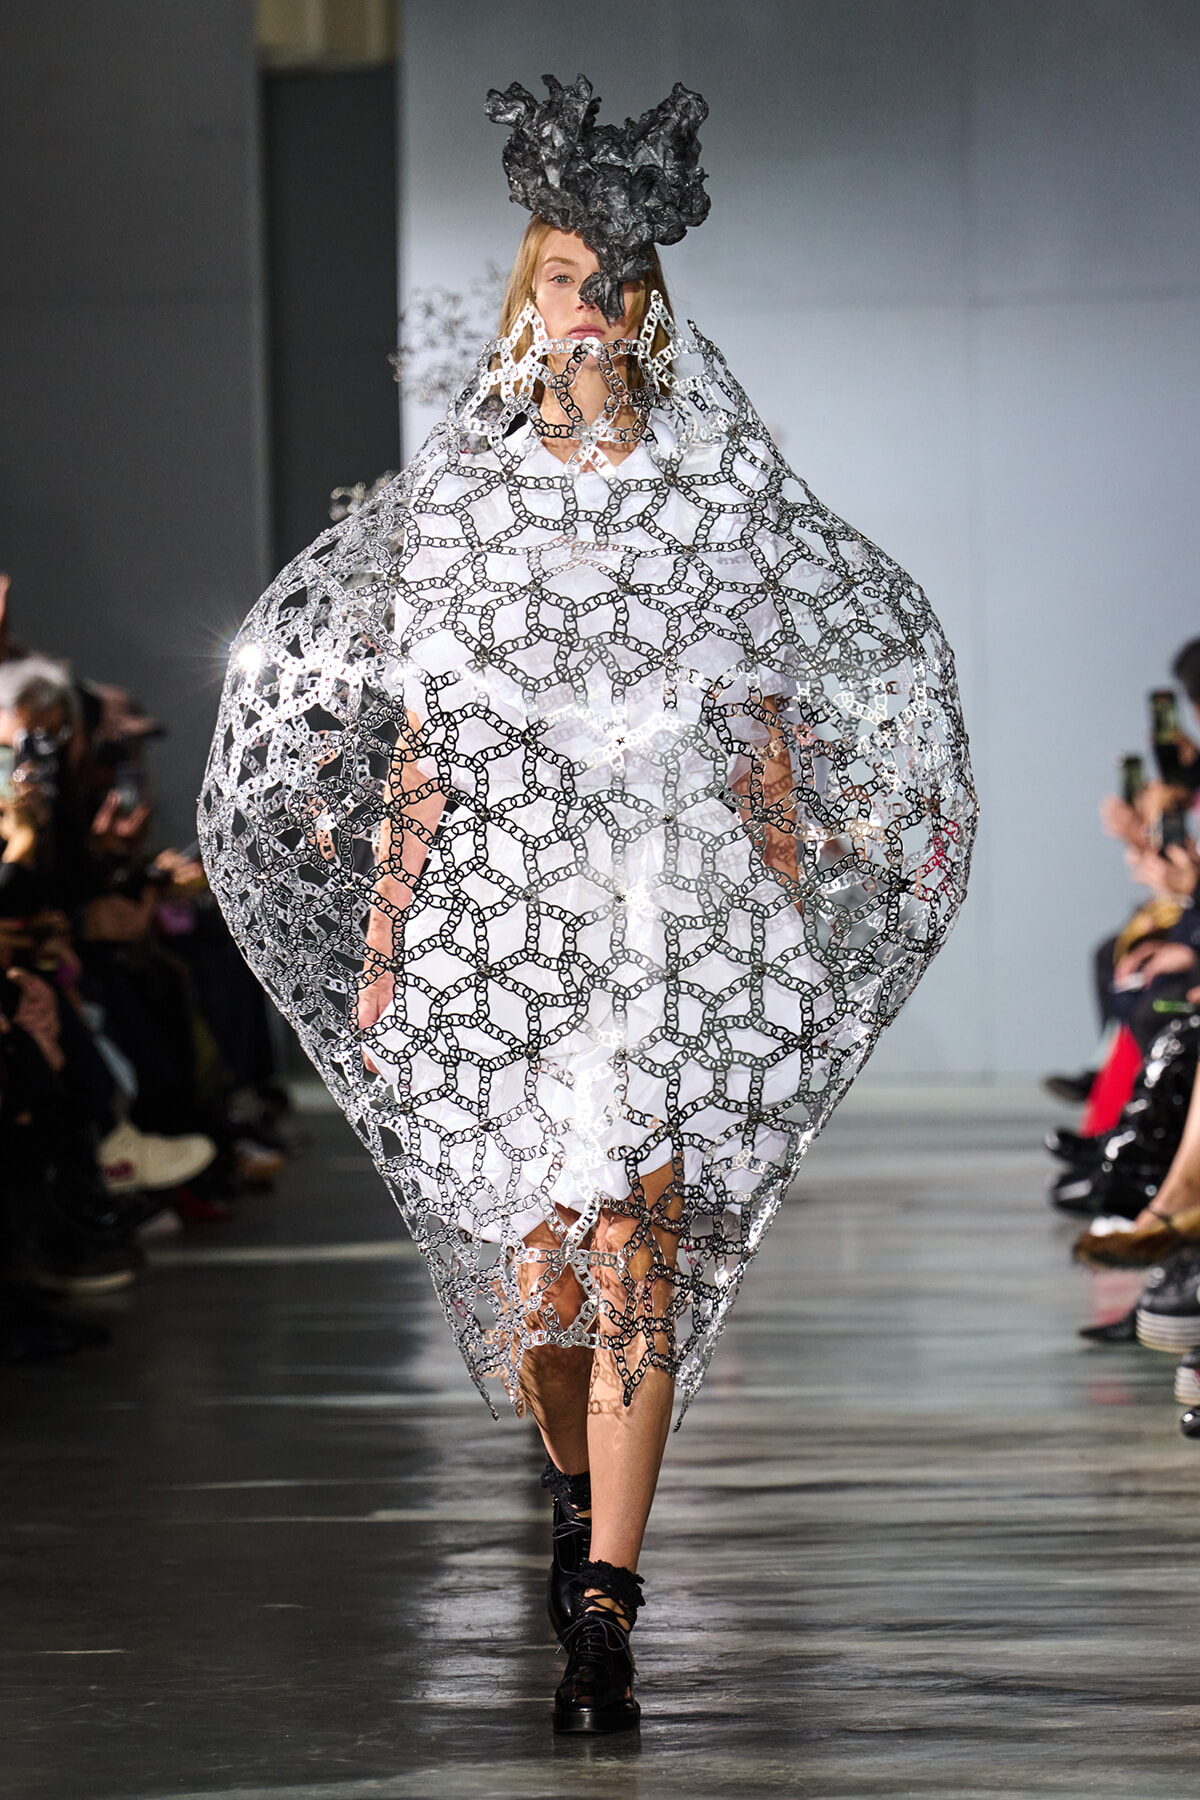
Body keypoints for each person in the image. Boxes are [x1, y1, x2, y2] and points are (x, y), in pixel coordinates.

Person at [200, 74, 976, 1733]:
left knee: (643, 1256)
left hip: (675, 911)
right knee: (544, 1287)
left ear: (651, 304)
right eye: (564, 277)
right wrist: (390, 940)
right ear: (527, 297)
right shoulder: (463, 505)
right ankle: (577, 1491)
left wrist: (803, 889)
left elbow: (764, 726)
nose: (593, 306)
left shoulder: (717, 499)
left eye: (617, 282)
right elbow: (429, 743)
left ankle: (611, 1599)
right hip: (506, 914)